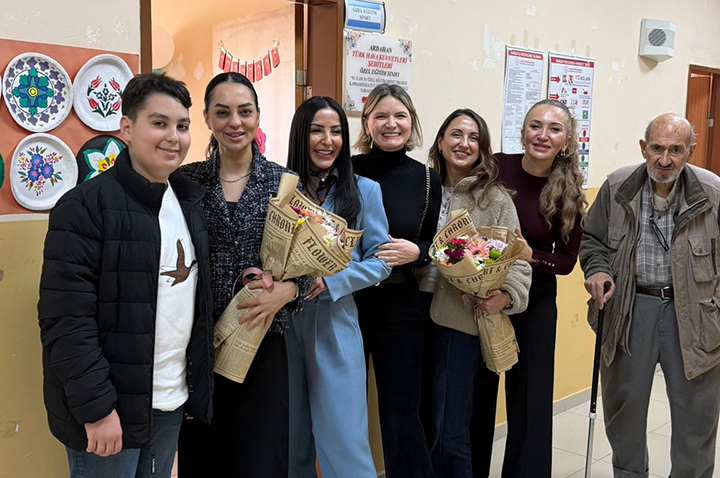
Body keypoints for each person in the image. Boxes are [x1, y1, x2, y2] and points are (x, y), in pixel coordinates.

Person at [37, 73, 213, 478]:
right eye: (159, 123)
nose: (173, 137)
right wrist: (98, 410)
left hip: (169, 400)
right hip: (109, 410)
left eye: (182, 126)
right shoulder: (84, 206)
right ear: (127, 128)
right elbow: (66, 320)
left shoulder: (189, 202)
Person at [178, 72, 307, 477]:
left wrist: (287, 291)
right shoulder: (187, 182)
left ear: (257, 116)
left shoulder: (284, 182)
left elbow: (307, 266)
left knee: (261, 457)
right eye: (222, 112)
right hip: (199, 340)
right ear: (207, 119)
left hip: (262, 337)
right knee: (204, 454)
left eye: (245, 111)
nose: (235, 122)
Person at [580, 113, 720, 478]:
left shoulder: (713, 191)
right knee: (623, 414)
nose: (665, 159)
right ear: (644, 147)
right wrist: (597, 269)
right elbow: (592, 240)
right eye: (657, 148)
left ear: (691, 151)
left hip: (696, 315)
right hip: (630, 308)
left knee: (696, 418)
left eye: (676, 150)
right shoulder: (617, 186)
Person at [473, 99, 586, 478]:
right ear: (522, 133)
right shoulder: (495, 167)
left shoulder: (569, 193)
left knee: (530, 400)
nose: (543, 135)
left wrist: (530, 254)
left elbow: (566, 262)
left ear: (566, 141)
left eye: (554, 129)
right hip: (482, 296)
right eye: (535, 126)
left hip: (535, 303)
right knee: (478, 393)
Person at [284, 96, 390, 478]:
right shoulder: (280, 187)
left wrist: (334, 281)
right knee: (290, 441)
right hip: (283, 325)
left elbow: (381, 261)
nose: (327, 141)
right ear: (301, 135)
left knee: (344, 442)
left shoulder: (365, 190)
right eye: (317, 130)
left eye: (335, 132)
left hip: (336, 321)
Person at [422, 109, 531, 477]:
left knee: (450, 429)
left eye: (473, 138)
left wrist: (507, 296)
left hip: (459, 321)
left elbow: (518, 260)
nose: (463, 144)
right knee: (419, 420)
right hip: (410, 314)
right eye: (456, 134)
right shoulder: (422, 188)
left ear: (483, 149)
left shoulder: (495, 199)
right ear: (440, 141)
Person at [352, 83, 441, 478]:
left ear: (411, 122)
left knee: (402, 412)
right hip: (348, 302)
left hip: (401, 305)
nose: (391, 124)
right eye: (381, 116)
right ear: (367, 123)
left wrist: (416, 252)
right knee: (345, 406)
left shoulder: (427, 179)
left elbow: (436, 244)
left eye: (400, 116)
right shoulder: (347, 169)